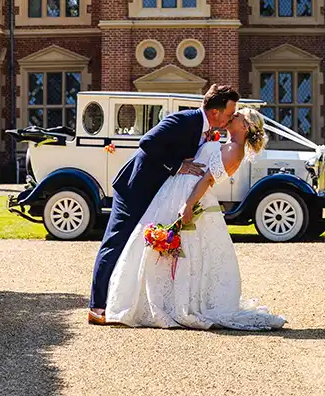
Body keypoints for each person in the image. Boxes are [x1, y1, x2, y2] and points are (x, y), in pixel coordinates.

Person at [105, 107, 286, 330]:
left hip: (189, 196)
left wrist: (188, 204)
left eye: (237, 116)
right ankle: (160, 300)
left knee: (185, 252)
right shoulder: (226, 145)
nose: (232, 116)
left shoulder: (234, 150)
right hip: (175, 191)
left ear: (245, 126)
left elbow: (207, 180)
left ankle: (174, 303)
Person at [87, 84, 239, 325]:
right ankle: (96, 307)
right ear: (216, 112)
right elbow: (147, 142)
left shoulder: (204, 129)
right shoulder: (184, 120)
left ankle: (127, 302)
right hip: (135, 188)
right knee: (117, 241)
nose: (231, 117)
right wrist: (177, 166)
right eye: (230, 113)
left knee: (137, 246)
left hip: (158, 193)